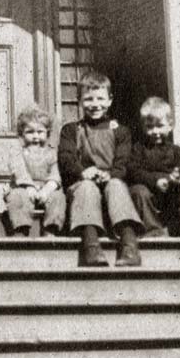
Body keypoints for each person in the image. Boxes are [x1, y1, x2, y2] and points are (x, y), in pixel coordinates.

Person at [58, 71, 144, 266]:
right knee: (87, 188)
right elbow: (66, 158)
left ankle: (129, 245)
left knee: (116, 185)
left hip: (111, 184)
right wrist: (83, 172)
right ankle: (91, 246)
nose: (95, 104)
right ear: (79, 101)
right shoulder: (71, 130)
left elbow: (123, 161)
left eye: (100, 98)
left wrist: (110, 174)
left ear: (110, 100)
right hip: (83, 185)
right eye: (88, 99)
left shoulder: (120, 131)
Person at [128, 97, 180, 237]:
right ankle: (153, 231)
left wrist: (179, 178)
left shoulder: (177, 151)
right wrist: (156, 181)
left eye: (160, 126)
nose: (155, 131)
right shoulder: (138, 149)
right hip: (150, 194)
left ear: (170, 126)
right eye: (150, 127)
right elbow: (134, 171)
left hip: (171, 195)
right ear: (143, 127)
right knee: (138, 191)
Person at [6, 105, 66, 237]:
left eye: (40, 132)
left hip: (46, 191)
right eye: (30, 132)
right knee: (17, 197)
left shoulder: (52, 153)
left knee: (58, 197)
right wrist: (29, 186)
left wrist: (47, 189)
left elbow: (55, 173)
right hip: (24, 189)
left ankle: (50, 229)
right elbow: (19, 170)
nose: (35, 136)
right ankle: (21, 230)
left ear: (47, 133)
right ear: (21, 134)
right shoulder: (17, 152)